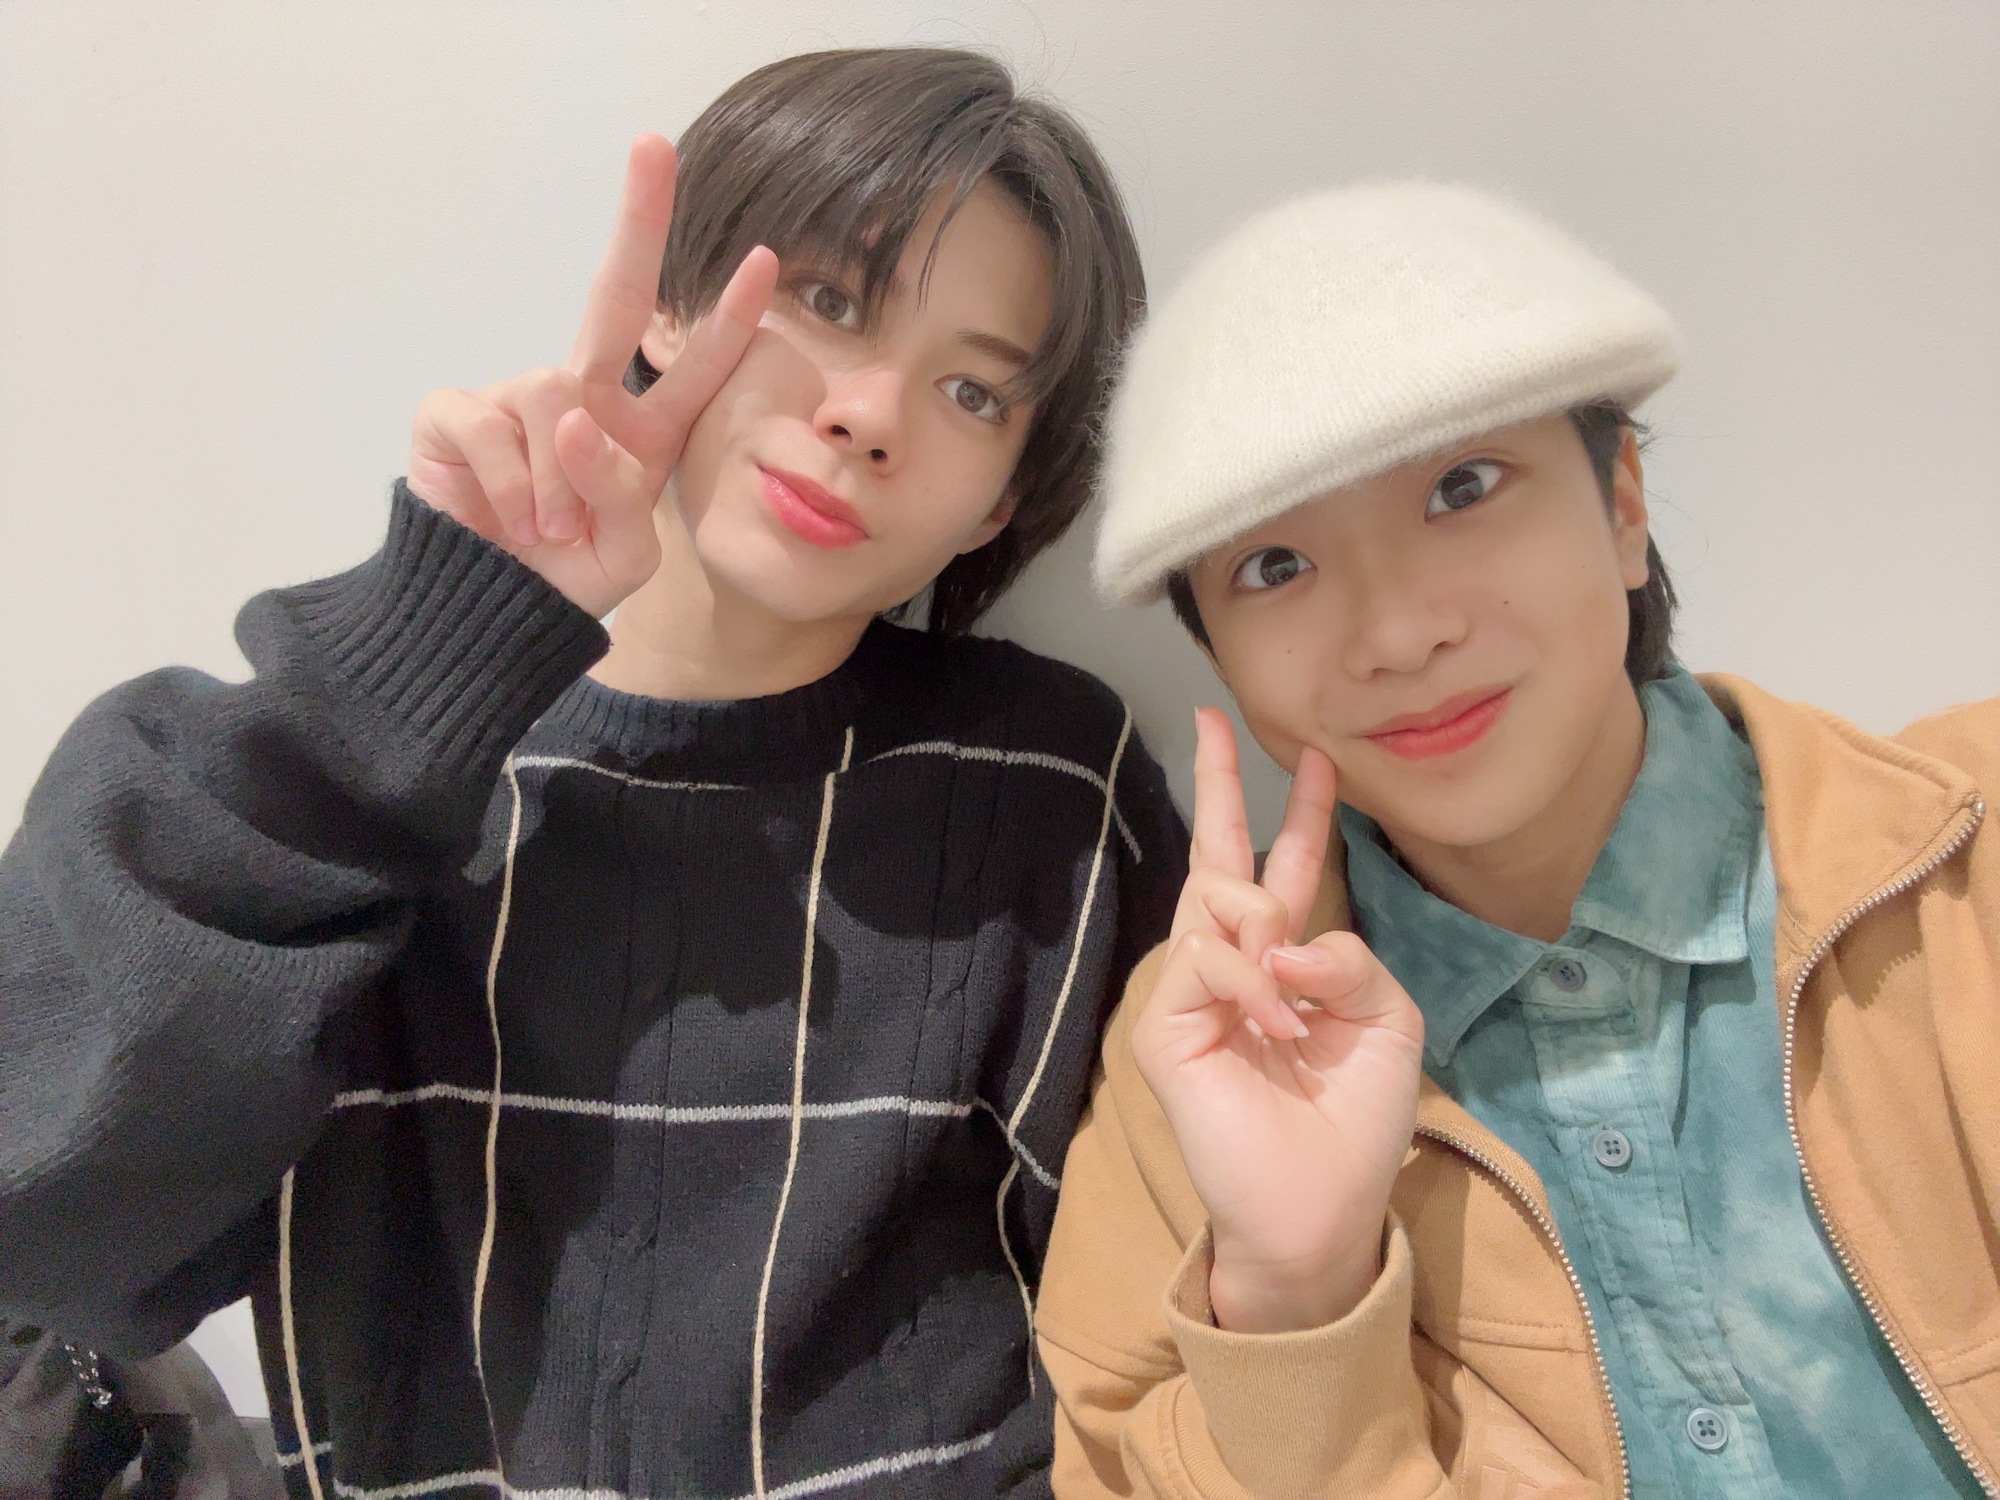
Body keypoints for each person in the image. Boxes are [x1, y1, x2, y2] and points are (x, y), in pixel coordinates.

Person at [0, 48, 1188, 1500]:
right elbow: (44, 1223)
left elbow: (1152, 1319)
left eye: (972, 391)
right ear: (671, 308)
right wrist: (409, 671)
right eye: (828, 302)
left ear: (1003, 500)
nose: (872, 413)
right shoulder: (357, 778)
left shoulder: (1047, 785)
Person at [1036, 182, 1998, 1497]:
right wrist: (1295, 1298)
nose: (1398, 634)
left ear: (1622, 505)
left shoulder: (1961, 851)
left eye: (1462, 486)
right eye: (1275, 566)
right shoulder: (1194, 1063)